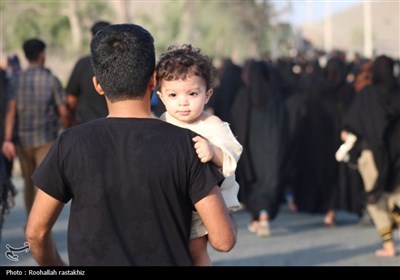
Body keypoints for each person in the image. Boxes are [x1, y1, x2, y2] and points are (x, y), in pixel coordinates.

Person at [26, 23, 236, 266]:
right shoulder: (188, 145)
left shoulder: (70, 143)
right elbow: (223, 240)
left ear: (98, 85)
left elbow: (36, 233)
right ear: (153, 81)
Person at [155, 44, 242, 266]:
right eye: (173, 94)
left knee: (196, 250)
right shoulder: (163, 123)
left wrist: (213, 152)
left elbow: (233, 154)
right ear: (161, 97)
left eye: (192, 93)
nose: (183, 102)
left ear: (207, 95)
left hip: (205, 201)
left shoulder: (212, 125)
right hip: (175, 199)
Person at [1, 38, 68, 218]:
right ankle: (41, 223)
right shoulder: (51, 80)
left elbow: (11, 112)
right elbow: (63, 110)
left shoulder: (16, 81)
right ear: (41, 55)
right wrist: (68, 128)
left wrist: (7, 139)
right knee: (43, 182)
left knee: (28, 181)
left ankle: (32, 220)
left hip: (22, 141)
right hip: (46, 139)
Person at [343, 55, 400, 257]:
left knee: (376, 200)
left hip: (371, 154)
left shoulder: (367, 95)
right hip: (396, 156)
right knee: (396, 196)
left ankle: (389, 245)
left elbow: (352, 123)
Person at [65, 20, 110, 127]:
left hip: (86, 125)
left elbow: (71, 99)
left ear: (92, 40)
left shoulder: (83, 64)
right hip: (112, 126)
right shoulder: (119, 63)